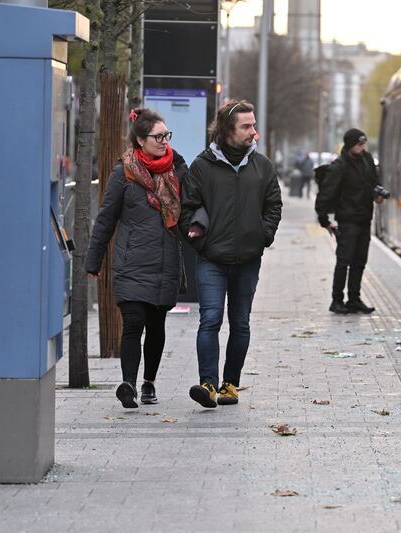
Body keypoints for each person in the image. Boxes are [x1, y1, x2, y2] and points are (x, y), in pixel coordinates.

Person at [180, 99, 283, 408]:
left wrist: (262, 236)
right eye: (246, 126)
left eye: (253, 125)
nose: (254, 131)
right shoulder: (202, 165)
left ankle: (230, 385)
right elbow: (187, 209)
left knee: (240, 324)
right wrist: (202, 244)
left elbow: (273, 206)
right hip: (212, 259)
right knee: (210, 319)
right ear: (226, 131)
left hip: (248, 260)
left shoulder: (262, 166)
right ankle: (207, 384)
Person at [85, 108, 187, 409]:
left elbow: (192, 206)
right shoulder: (123, 173)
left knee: (157, 327)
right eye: (158, 136)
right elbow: (105, 219)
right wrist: (93, 261)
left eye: (167, 135)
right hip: (131, 263)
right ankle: (128, 382)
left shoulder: (177, 169)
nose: (164, 141)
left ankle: (149, 383)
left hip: (165, 261)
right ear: (140, 140)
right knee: (133, 323)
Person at [315, 128, 386, 315]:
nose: (363, 148)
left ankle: (354, 299)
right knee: (344, 261)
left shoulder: (367, 160)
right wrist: (324, 220)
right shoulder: (339, 166)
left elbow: (373, 183)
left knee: (359, 261)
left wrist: (377, 195)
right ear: (349, 145)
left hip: (364, 219)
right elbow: (326, 194)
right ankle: (337, 300)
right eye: (359, 144)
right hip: (347, 221)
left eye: (364, 144)